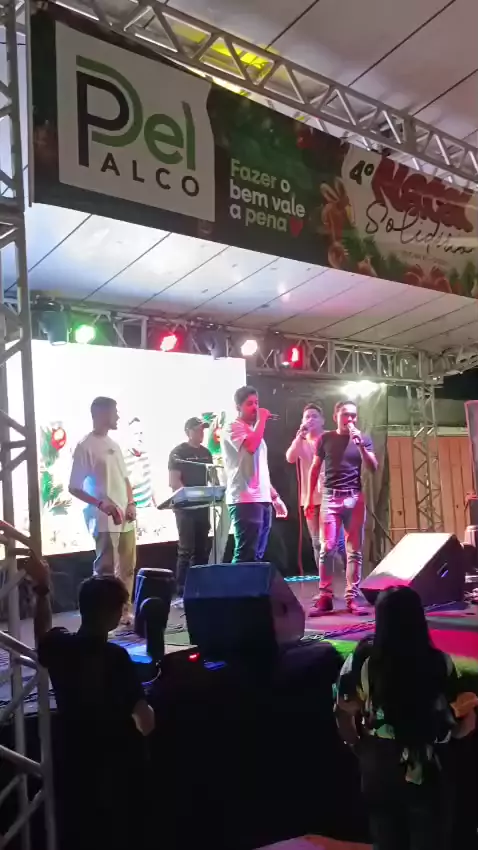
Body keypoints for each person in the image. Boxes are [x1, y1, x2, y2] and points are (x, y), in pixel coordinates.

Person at [335, 587, 477, 850]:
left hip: (378, 764)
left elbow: (343, 710)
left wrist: (357, 746)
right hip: (427, 765)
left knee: (386, 837)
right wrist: (457, 731)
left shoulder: (362, 660)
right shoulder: (439, 663)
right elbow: (462, 724)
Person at [305, 399, 377, 615]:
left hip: (354, 498)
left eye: (353, 415)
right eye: (346, 414)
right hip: (330, 498)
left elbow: (373, 467)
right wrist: (309, 498)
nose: (350, 419)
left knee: (354, 551)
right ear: (336, 416)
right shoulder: (326, 438)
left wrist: (361, 446)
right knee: (327, 548)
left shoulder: (363, 438)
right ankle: (325, 596)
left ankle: (352, 597)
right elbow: (315, 468)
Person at [69, 397, 137, 626]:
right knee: (106, 570)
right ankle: (102, 617)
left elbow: (126, 479)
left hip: (125, 517)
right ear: (101, 414)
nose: (117, 416)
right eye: (114, 412)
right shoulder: (85, 446)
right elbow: (74, 487)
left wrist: (131, 503)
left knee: (127, 568)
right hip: (103, 518)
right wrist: (100, 504)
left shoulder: (114, 445)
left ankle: (124, 613)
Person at [221, 385, 287, 562]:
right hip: (245, 499)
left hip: (262, 499)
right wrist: (262, 419)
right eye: (249, 403)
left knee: (257, 554)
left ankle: (251, 582)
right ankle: (238, 582)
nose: (255, 407)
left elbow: (260, 470)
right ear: (238, 407)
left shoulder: (254, 431)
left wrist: (275, 497)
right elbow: (250, 447)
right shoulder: (232, 427)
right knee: (246, 553)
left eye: (257, 403)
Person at [285, 403, 345, 572]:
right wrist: (299, 437)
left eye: (314, 416)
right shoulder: (301, 442)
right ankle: (325, 581)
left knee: (336, 542)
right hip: (310, 499)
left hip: (331, 496)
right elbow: (290, 458)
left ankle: (347, 577)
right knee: (317, 543)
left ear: (322, 421)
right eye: (307, 417)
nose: (310, 420)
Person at [168, 417, 213, 600]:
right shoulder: (178, 453)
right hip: (185, 508)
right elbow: (174, 481)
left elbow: (211, 477)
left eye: (203, 429)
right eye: (197, 429)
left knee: (202, 548)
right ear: (188, 432)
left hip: (203, 505)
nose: (201, 433)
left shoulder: (206, 453)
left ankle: (199, 587)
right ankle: (181, 591)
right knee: (186, 549)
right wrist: (188, 497)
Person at [123, 417, 155, 510]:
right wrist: (133, 480)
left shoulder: (146, 455)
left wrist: (156, 505)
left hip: (149, 509)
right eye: (135, 434)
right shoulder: (123, 458)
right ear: (128, 436)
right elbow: (119, 491)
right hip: (134, 511)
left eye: (141, 433)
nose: (139, 438)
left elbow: (150, 485)